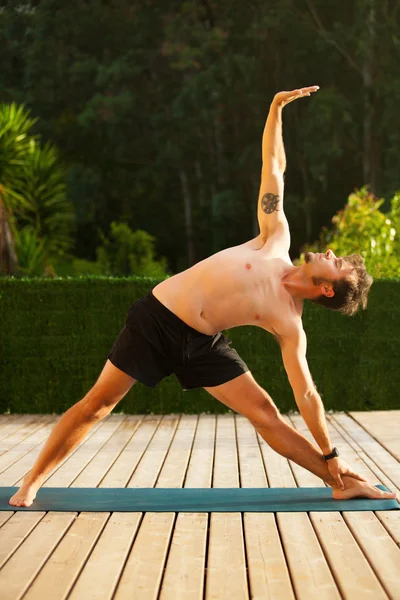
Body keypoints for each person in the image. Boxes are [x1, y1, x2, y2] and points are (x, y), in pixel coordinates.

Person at [10, 86, 397, 507]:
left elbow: (306, 395)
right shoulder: (274, 239)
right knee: (98, 404)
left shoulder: (289, 323)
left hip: (203, 343)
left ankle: (339, 480)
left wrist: (331, 453)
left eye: (336, 263)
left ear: (327, 289)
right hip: (158, 319)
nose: (330, 252)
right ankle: (32, 480)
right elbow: (274, 167)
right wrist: (275, 108)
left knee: (265, 413)